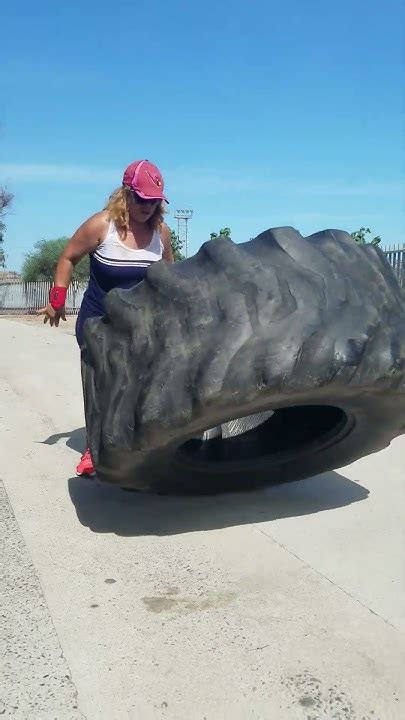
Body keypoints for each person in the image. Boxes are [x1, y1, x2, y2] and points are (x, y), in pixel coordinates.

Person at [39, 159, 174, 476]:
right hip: (98, 322)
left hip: (141, 326)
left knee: (142, 386)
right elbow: (68, 257)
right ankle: (95, 448)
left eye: (154, 201)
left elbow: (170, 277)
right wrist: (56, 300)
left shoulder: (161, 233)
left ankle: (138, 445)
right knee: (105, 385)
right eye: (141, 198)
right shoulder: (102, 226)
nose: (147, 206)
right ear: (126, 193)